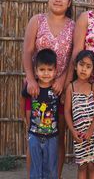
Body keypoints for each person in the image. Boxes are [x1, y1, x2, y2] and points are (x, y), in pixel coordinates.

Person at [22, 0, 75, 178]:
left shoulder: (73, 26)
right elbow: (27, 52)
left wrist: (64, 80)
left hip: (59, 90)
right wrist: (31, 79)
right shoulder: (37, 21)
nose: (58, 0)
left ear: (69, 2)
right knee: (34, 135)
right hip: (36, 89)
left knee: (58, 135)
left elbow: (73, 56)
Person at [22, 49, 60, 178]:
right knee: (35, 169)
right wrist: (26, 119)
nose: (46, 73)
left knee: (50, 169)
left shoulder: (57, 90)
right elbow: (24, 101)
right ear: (36, 71)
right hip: (34, 136)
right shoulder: (32, 88)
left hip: (52, 136)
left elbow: (61, 110)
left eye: (49, 70)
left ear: (55, 71)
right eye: (42, 69)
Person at [64, 50, 94, 179]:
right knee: (82, 166)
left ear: (93, 70)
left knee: (92, 165)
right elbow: (67, 112)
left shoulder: (93, 87)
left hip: (93, 134)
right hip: (79, 134)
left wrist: (91, 130)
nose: (84, 69)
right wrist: (73, 131)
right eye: (81, 65)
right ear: (75, 66)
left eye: (88, 66)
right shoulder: (71, 88)